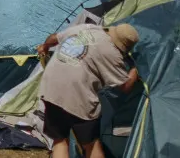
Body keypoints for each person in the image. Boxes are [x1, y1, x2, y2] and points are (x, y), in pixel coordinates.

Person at [37, 24, 140, 158]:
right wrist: (135, 69)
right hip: (79, 97)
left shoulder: (86, 27)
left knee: (60, 141)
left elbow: (54, 38)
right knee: (91, 145)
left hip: (51, 89)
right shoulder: (112, 53)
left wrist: (45, 46)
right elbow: (125, 86)